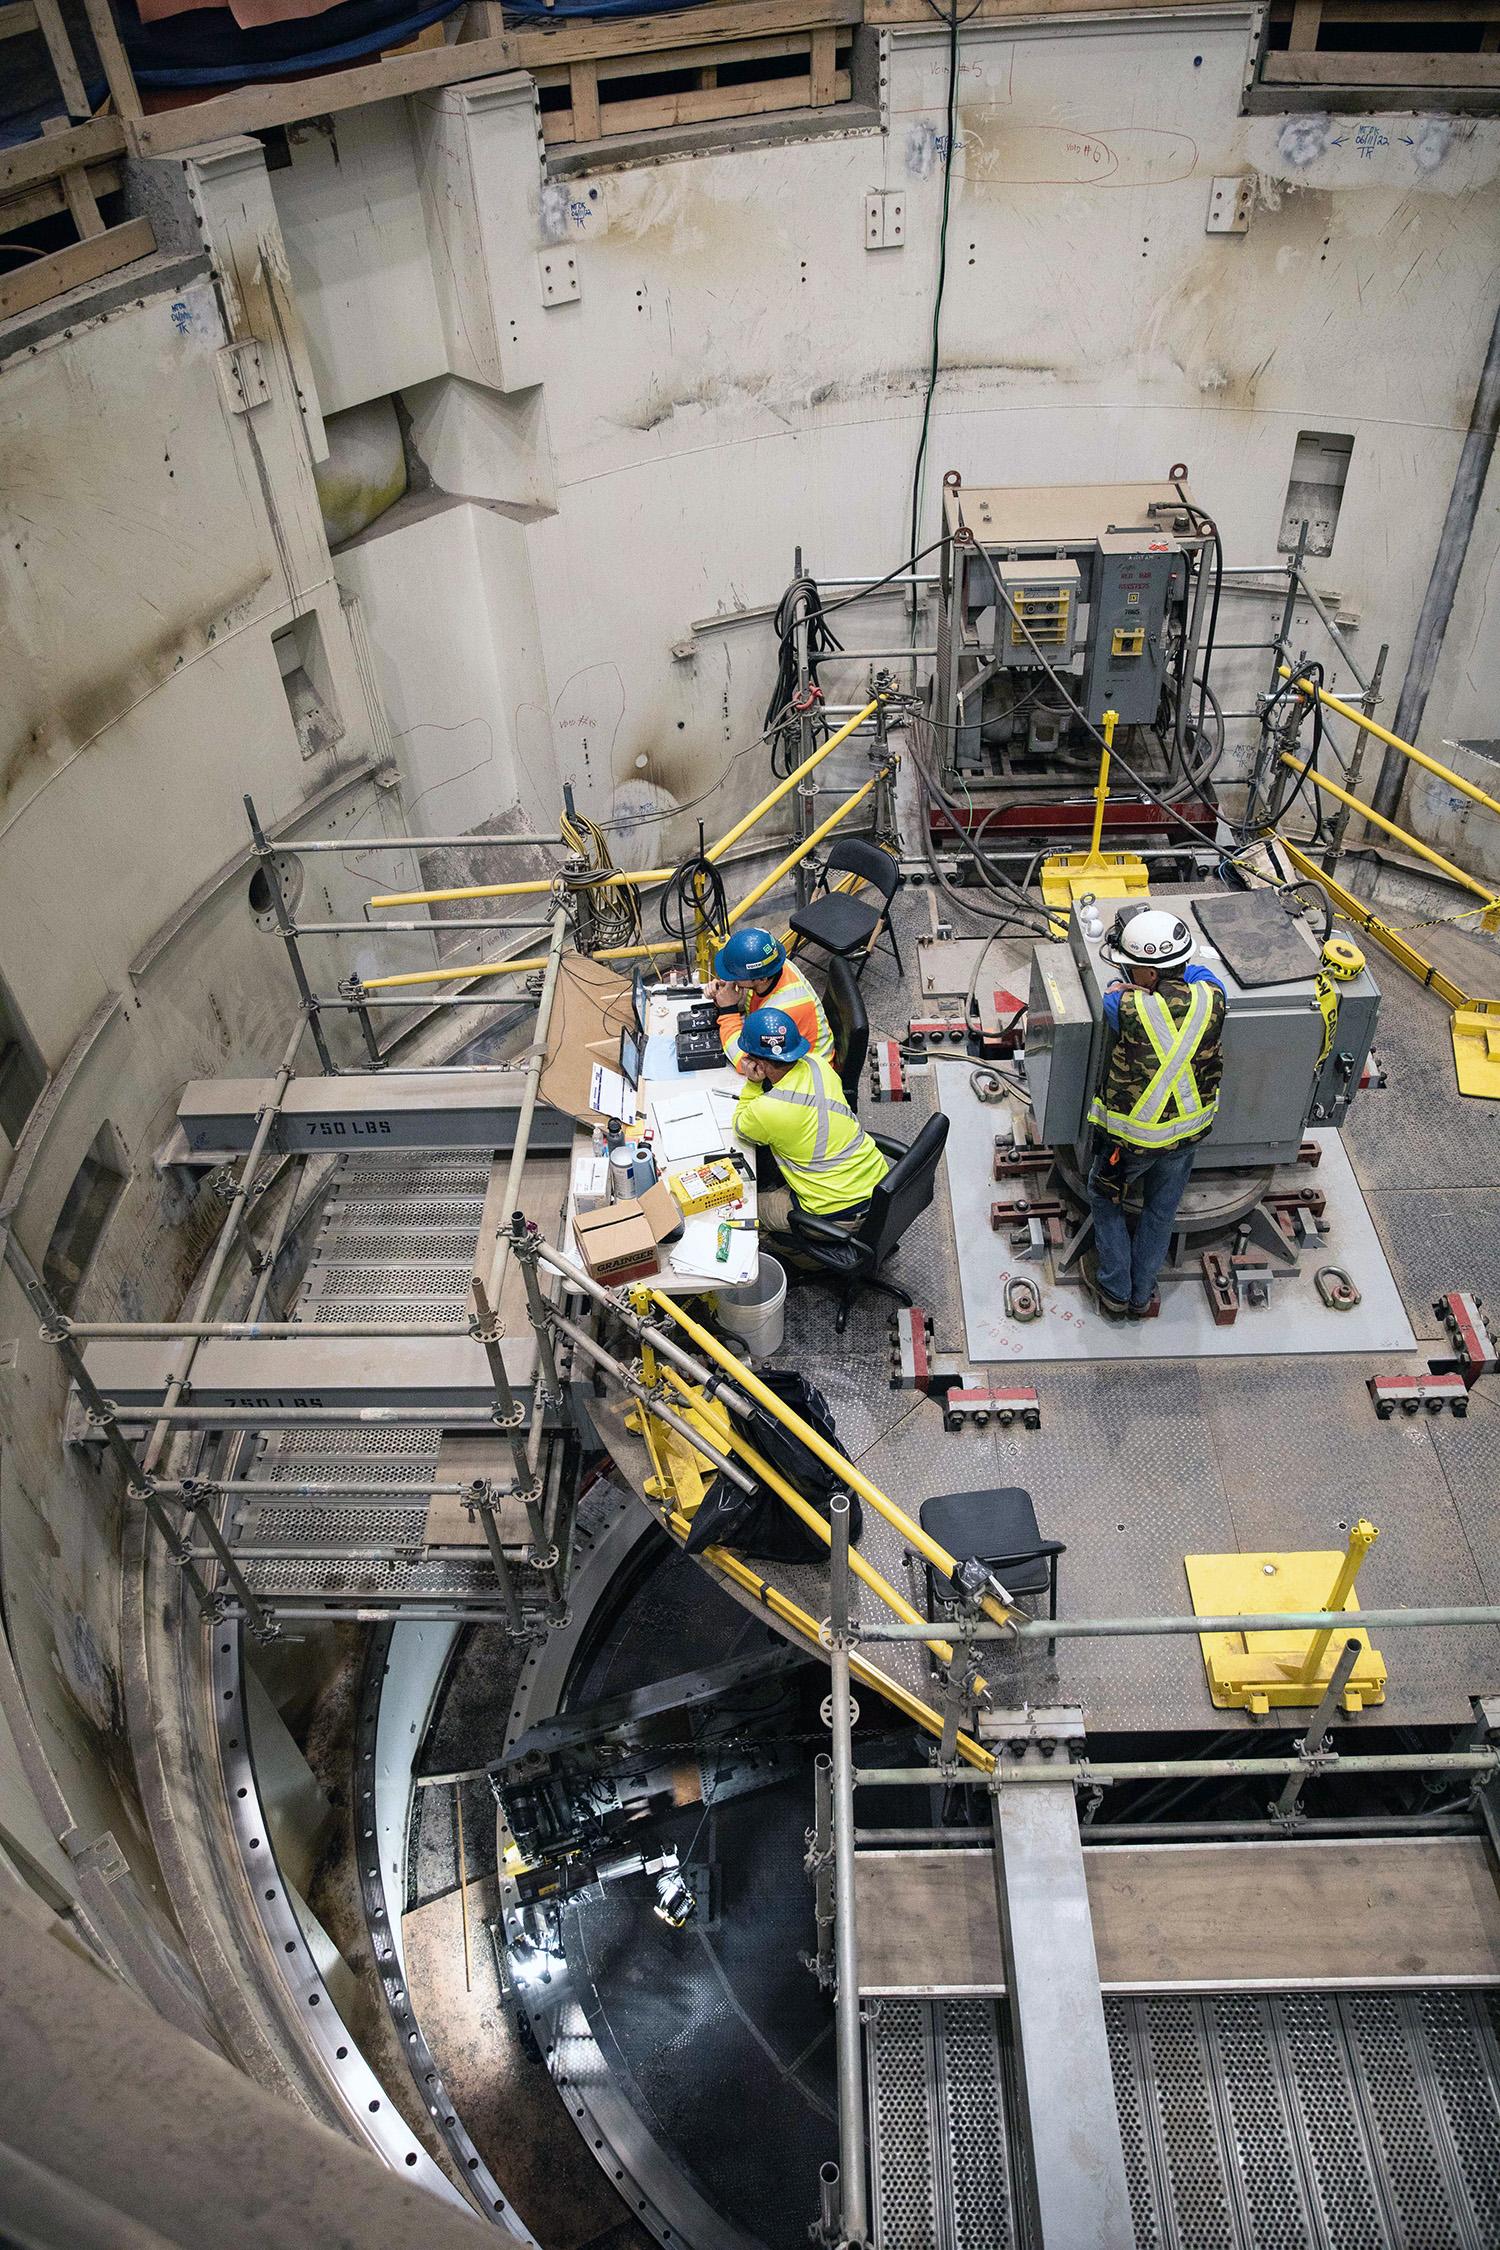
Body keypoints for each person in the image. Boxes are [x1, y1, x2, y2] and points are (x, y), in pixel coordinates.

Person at [1083, 907, 1226, 1320]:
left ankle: (1114, 1289)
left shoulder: (1124, 1007)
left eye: (1133, 967)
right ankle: (1142, 1294)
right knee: (1161, 1212)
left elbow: (1112, 990)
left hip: (1132, 1142)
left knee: (1103, 1198)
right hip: (1186, 1138)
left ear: (1147, 975)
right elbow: (1200, 975)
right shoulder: (1214, 998)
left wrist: (1127, 984)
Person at [731, 1006, 888, 1222]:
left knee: (745, 1212)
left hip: (836, 1212)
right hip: (879, 1186)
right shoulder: (818, 1063)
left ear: (758, 1063)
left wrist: (752, 1083)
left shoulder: (767, 1110)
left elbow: (741, 1128)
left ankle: (796, 1252)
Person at [710, 927, 834, 1074]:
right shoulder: (775, 966)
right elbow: (756, 1001)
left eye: (736, 975)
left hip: (807, 1077)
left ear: (761, 979)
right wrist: (730, 996)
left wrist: (728, 1011)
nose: (731, 979)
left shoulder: (779, 1013)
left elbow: (747, 1064)